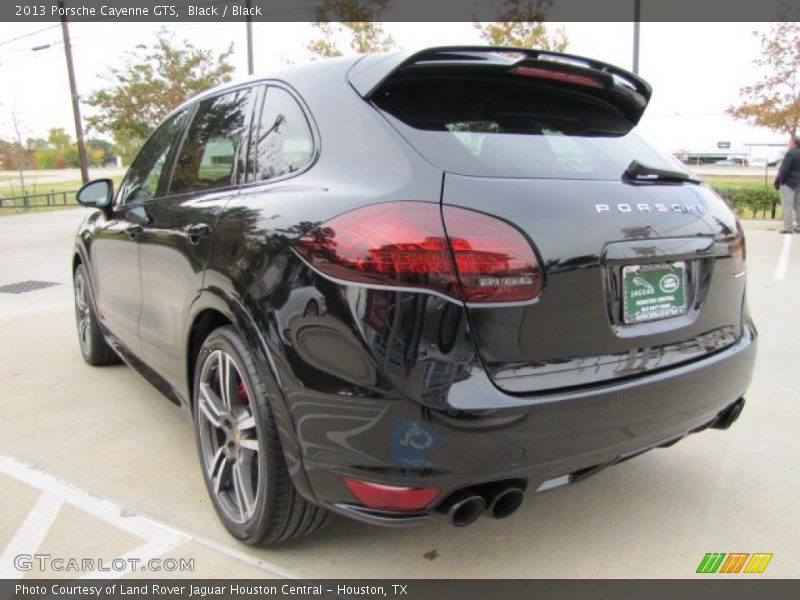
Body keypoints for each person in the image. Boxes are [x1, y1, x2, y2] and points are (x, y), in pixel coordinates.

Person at [774, 134, 800, 233]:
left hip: (788, 182)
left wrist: (779, 181)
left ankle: (788, 227)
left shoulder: (791, 153)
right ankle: (799, 226)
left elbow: (784, 169)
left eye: (789, 142)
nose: (788, 144)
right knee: (798, 204)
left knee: (787, 205)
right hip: (798, 182)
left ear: (793, 143)